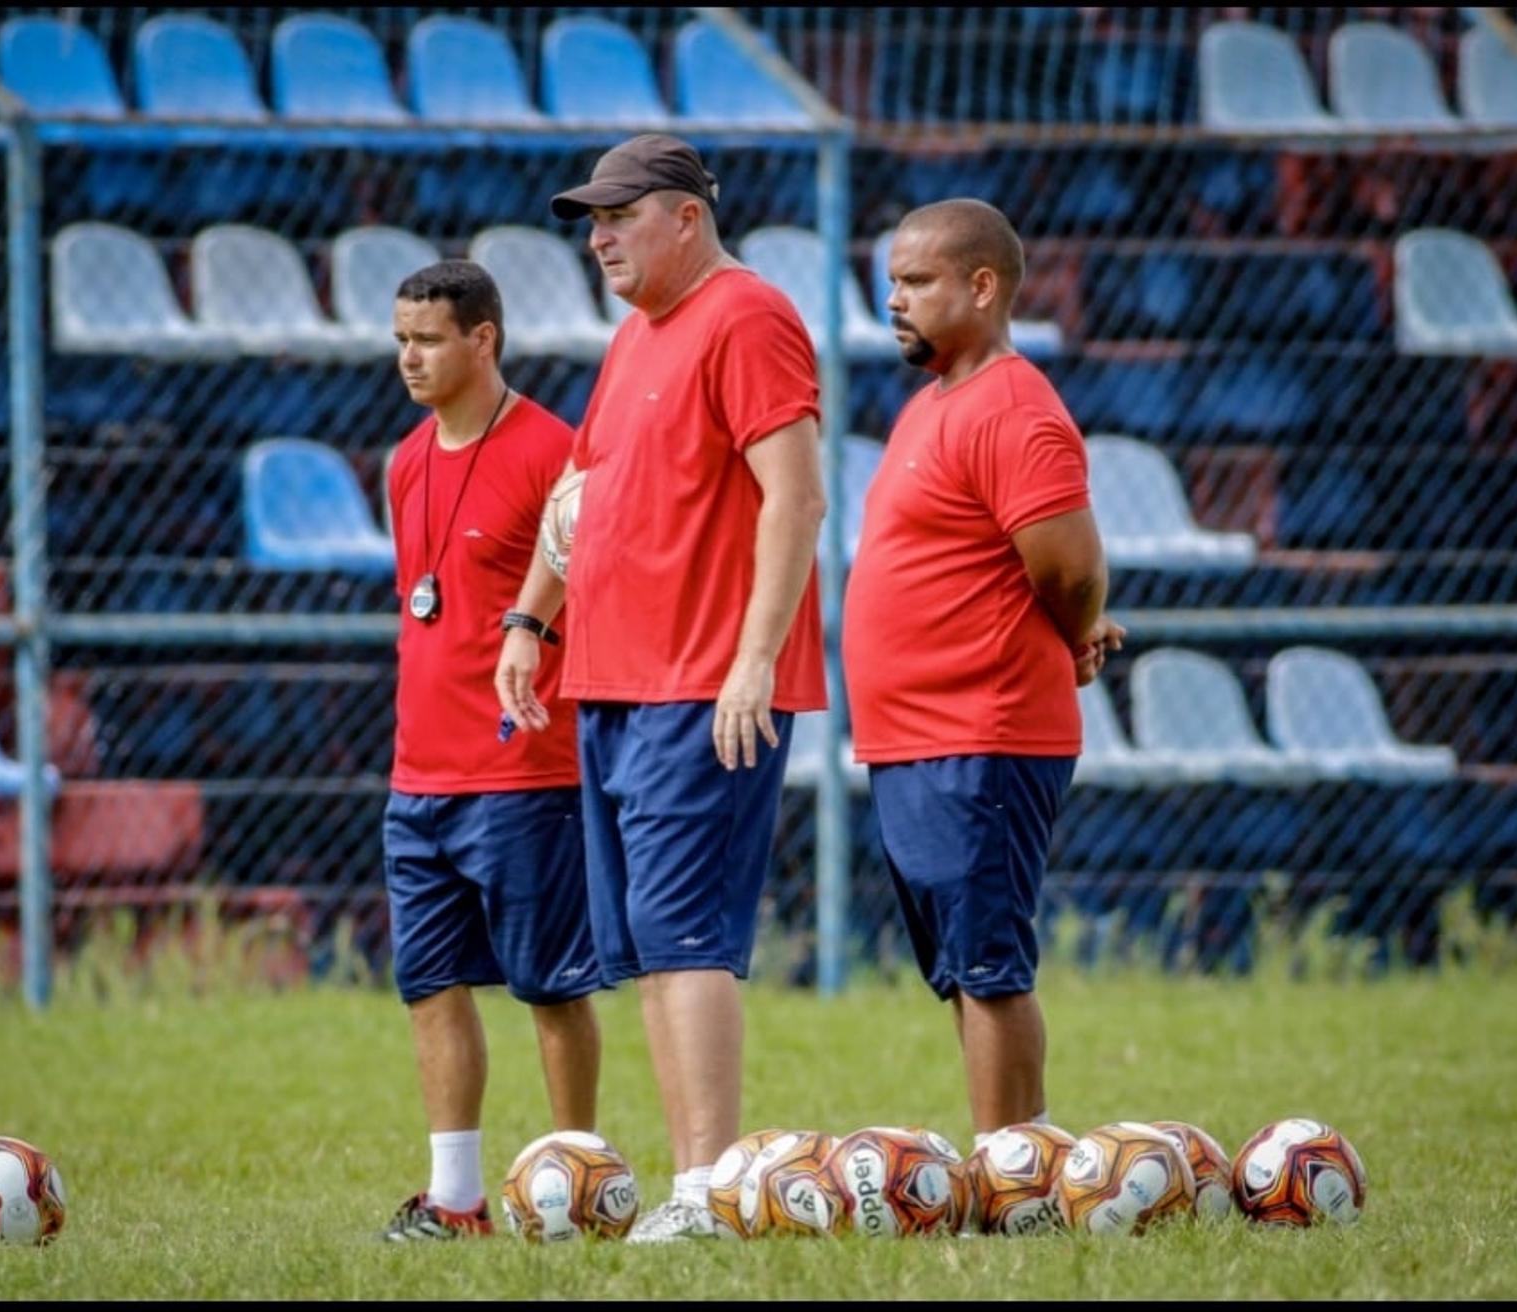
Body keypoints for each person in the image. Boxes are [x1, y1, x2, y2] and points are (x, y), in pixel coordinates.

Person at [494, 134, 827, 1242]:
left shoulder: (748, 316)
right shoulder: (637, 335)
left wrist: (751, 657)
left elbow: (798, 498)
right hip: (615, 681)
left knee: (687, 939)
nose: (596, 237)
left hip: (701, 684)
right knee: (645, 943)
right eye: (590, 218)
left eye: (618, 215)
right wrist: (531, 618)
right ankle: (703, 1187)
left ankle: (708, 1191)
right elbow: (577, 495)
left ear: (686, 217)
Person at [841, 199, 1126, 1146]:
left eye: (917, 282)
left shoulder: (1013, 406)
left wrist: (1076, 628)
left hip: (984, 731)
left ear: (983, 285)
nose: (895, 301)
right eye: (891, 282)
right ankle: (1023, 1160)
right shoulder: (931, 405)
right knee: (963, 968)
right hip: (918, 738)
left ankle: (1018, 1176)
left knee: (991, 966)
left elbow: (1072, 567)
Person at [376, 261, 601, 1240]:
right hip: (416, 775)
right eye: (400, 341)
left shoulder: (556, 452)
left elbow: (591, 600)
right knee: (429, 985)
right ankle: (457, 1200)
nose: (410, 359)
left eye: (427, 340)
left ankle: (584, 1184)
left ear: (484, 340)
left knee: (551, 988)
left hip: (522, 769)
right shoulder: (401, 460)